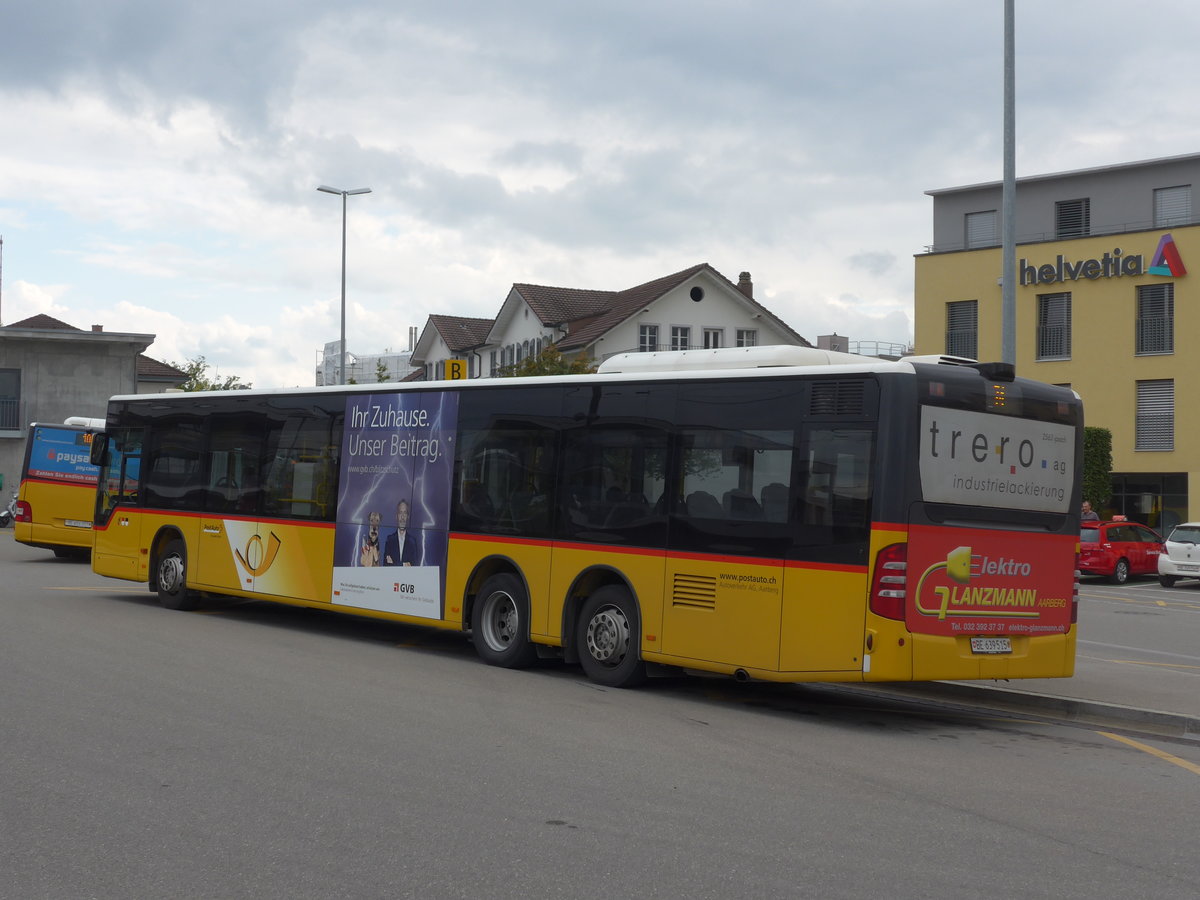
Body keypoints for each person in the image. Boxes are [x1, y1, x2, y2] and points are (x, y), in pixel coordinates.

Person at [384, 498, 420, 566]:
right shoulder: (389, 540)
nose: (402, 517)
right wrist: (404, 564)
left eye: (405, 513)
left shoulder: (413, 541)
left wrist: (394, 564)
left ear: (408, 517)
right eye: (400, 513)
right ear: (396, 516)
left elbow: (415, 567)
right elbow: (386, 565)